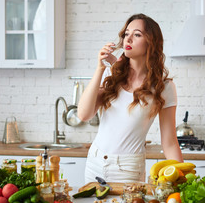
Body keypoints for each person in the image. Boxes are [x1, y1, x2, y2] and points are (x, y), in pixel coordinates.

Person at [77, 13, 183, 183]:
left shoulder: (164, 87)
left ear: (151, 43)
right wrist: (99, 68)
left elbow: (169, 142)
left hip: (128, 169)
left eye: (137, 34)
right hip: (95, 162)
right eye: (126, 34)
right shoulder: (111, 73)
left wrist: (182, 178)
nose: (128, 39)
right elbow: (83, 115)